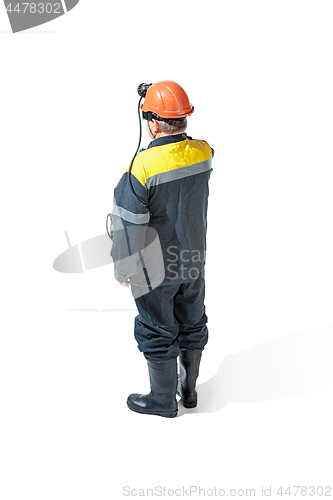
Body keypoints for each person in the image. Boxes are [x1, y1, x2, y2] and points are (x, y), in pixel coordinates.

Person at [110, 80, 214, 417]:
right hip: (193, 261)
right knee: (192, 322)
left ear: (153, 122)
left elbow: (128, 225)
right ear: (184, 118)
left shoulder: (140, 168)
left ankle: (163, 400)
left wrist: (125, 270)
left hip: (154, 270)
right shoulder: (203, 152)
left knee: (157, 327)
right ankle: (190, 392)